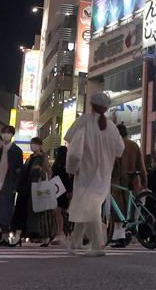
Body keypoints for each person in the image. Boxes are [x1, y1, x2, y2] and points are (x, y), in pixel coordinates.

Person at [64, 91, 124, 257]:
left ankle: (98, 245)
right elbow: (120, 150)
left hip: (86, 173)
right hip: (105, 174)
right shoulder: (112, 127)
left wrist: (71, 168)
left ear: (91, 105)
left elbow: (74, 152)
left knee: (89, 207)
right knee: (86, 205)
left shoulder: (84, 122)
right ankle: (76, 241)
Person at [109, 123, 146, 247]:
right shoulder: (134, 145)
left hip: (118, 181)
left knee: (118, 211)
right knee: (131, 210)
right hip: (133, 181)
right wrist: (145, 183)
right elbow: (142, 167)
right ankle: (129, 232)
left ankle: (120, 237)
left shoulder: (116, 146)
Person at [20, 138, 57, 245]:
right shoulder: (30, 158)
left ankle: (44, 234)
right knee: (33, 210)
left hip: (40, 186)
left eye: (35, 144)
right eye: (32, 144)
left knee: (42, 210)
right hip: (30, 187)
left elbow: (47, 171)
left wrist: (40, 169)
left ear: (40, 145)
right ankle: (34, 234)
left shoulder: (43, 157)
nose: (33, 146)